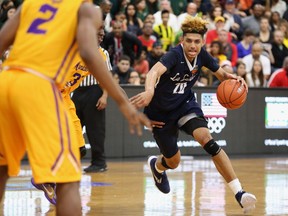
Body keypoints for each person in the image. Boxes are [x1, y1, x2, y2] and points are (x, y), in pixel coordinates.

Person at [0, 2, 151, 216]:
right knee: (68, 181)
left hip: (6, 82)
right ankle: (46, 178)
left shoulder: (32, 3)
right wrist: (123, 103)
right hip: (42, 86)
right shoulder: (85, 9)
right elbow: (89, 53)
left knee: (2, 169)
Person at [130, 16, 257, 214]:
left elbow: (221, 74)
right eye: (188, 40)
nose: (192, 45)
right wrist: (149, 91)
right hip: (160, 113)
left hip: (185, 105)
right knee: (174, 161)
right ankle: (158, 166)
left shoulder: (203, 56)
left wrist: (234, 78)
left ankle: (239, 192)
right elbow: (154, 71)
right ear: (182, 40)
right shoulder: (174, 54)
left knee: (207, 139)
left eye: (197, 41)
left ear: (203, 42)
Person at [72, 23, 111, 173]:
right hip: (77, 91)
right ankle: (73, 161)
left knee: (95, 129)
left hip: (95, 90)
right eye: (98, 35)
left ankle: (99, 162)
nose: (101, 38)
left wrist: (105, 95)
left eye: (102, 36)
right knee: (74, 128)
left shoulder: (103, 53)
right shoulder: (77, 49)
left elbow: (107, 77)